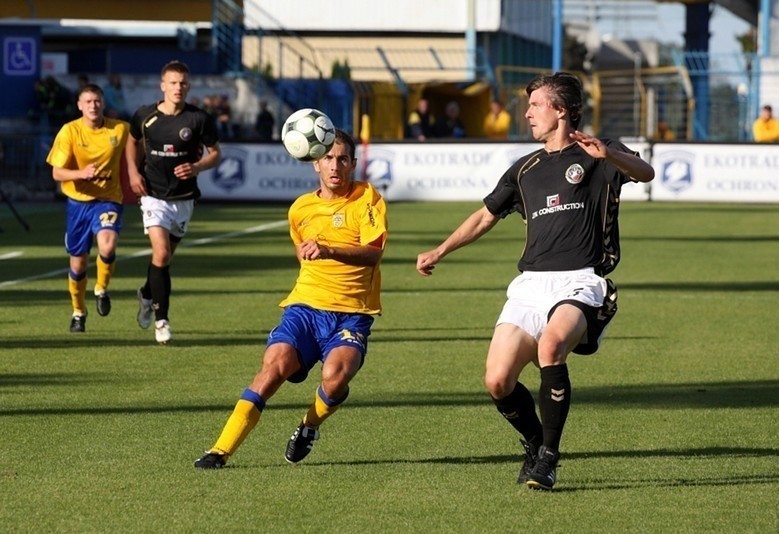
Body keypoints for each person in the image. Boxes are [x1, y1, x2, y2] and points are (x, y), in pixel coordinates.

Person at [415, 72, 654, 491]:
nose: (527, 113)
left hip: (581, 280)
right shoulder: (524, 169)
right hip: (530, 285)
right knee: (497, 380)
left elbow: (646, 171)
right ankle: (533, 441)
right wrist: (439, 250)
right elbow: (485, 216)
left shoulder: (600, 152)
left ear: (561, 110)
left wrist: (610, 156)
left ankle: (548, 458)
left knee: (551, 347)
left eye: (536, 105)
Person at [194, 128, 388, 469]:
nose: (335, 166)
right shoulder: (300, 209)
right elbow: (303, 255)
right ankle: (219, 451)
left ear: (353, 163)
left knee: (335, 377)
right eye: (328, 158)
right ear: (315, 162)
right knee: (273, 368)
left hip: (351, 314)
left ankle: (309, 425)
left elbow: (373, 254)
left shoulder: (368, 199)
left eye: (343, 159)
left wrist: (328, 248)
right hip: (305, 309)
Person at [125, 60, 221, 344]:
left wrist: (197, 167)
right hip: (153, 195)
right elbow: (131, 142)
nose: (178, 88)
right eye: (173, 82)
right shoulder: (145, 116)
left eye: (183, 83)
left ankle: (146, 294)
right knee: (162, 254)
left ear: (188, 87)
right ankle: (162, 321)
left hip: (184, 197)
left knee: (162, 260)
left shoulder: (199, 119)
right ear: (163, 85)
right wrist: (132, 172)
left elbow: (216, 153)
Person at [45, 83, 130, 333]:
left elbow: (141, 139)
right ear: (79, 105)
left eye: (97, 101)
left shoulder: (120, 129)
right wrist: (81, 173)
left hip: (108, 199)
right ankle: (79, 312)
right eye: (88, 101)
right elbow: (56, 172)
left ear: (103, 104)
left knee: (108, 243)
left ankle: (101, 288)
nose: (93, 105)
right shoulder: (70, 131)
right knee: (78, 264)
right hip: (77, 203)